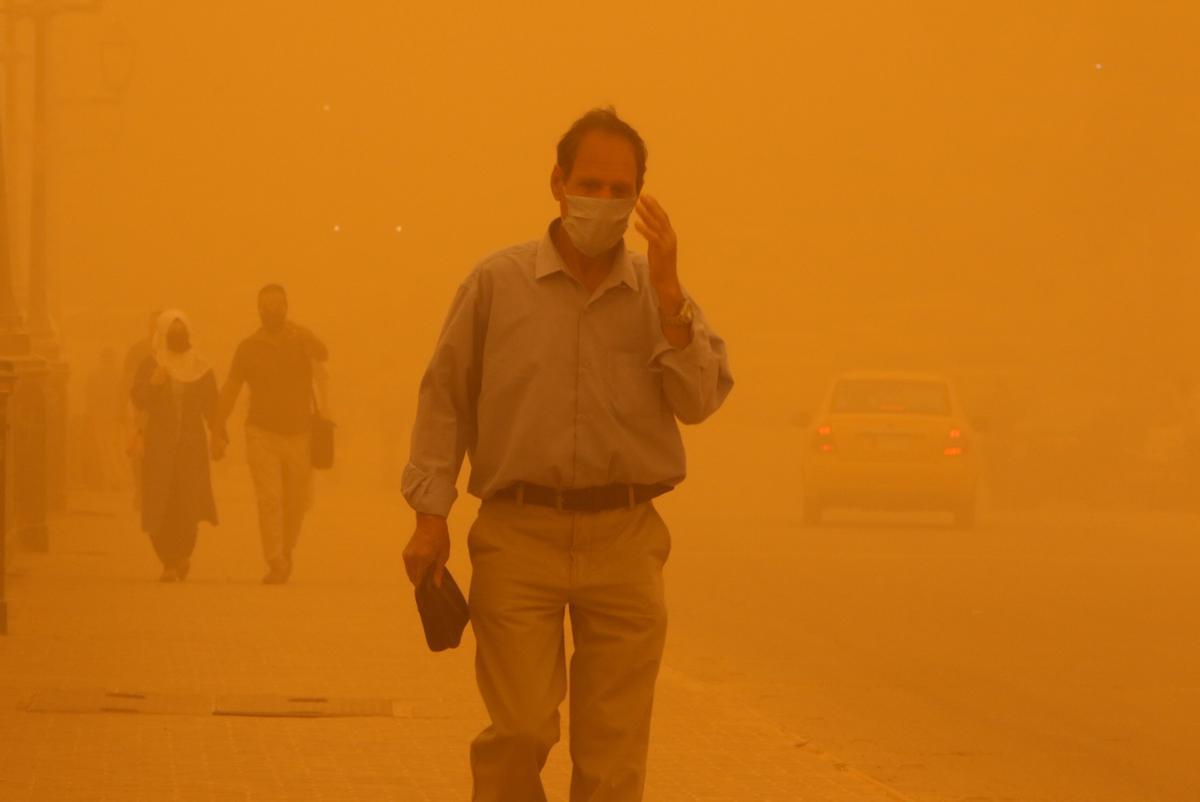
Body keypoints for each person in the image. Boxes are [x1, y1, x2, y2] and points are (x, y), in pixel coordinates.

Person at [401, 107, 733, 802]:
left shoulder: (658, 295)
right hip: (520, 536)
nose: (605, 203)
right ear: (557, 182)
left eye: (622, 191)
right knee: (520, 730)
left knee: (613, 761)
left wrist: (672, 297)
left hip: (625, 540)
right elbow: (445, 398)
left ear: (641, 194)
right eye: (591, 184)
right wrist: (430, 514)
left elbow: (700, 401)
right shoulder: (496, 284)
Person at [216, 284, 328, 585]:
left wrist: (307, 336)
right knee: (269, 499)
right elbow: (230, 388)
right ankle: (275, 559)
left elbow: (323, 354)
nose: (272, 311)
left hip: (300, 434)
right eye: (266, 306)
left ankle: (286, 549)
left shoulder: (300, 340)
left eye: (277, 306)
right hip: (260, 434)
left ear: (286, 307)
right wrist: (217, 426)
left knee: (297, 501)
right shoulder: (248, 348)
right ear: (258, 309)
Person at [131, 310, 222, 582]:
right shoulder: (151, 364)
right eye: (172, 331)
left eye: (182, 331)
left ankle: (183, 554)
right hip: (158, 447)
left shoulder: (200, 366)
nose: (177, 337)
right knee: (160, 501)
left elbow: (212, 406)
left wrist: (218, 437)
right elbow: (139, 399)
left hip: (190, 447)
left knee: (188, 502)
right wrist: (154, 384)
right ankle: (167, 560)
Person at [121, 310, 160, 510]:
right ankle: (141, 490)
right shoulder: (138, 351)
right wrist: (127, 408)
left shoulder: (173, 350)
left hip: (163, 413)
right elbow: (128, 380)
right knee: (140, 452)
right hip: (142, 410)